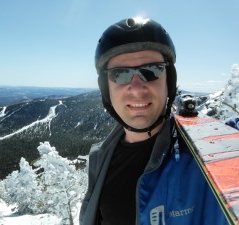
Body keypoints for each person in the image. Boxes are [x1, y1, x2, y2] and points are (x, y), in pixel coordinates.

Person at [79, 17, 229, 225]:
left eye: (152, 70)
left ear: (169, 81)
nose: (137, 88)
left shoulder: (202, 153)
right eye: (120, 74)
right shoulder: (100, 158)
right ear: (106, 88)